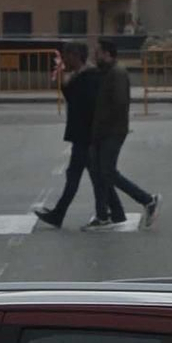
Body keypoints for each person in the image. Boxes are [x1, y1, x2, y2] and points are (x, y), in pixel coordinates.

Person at [87, 37, 158, 229]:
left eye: (98, 52)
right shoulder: (106, 71)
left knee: (107, 172)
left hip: (112, 131)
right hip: (103, 131)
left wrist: (102, 125)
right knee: (98, 171)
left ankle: (147, 199)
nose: (95, 55)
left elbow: (118, 104)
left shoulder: (117, 73)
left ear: (108, 54)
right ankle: (107, 214)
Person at [34, 43, 100, 228]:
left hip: (85, 136)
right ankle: (60, 213)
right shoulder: (81, 76)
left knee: (92, 176)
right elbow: (73, 97)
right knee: (88, 176)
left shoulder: (88, 77)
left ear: (76, 55)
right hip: (82, 136)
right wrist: (63, 80)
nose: (64, 60)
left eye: (66, 56)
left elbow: (83, 105)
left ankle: (122, 206)